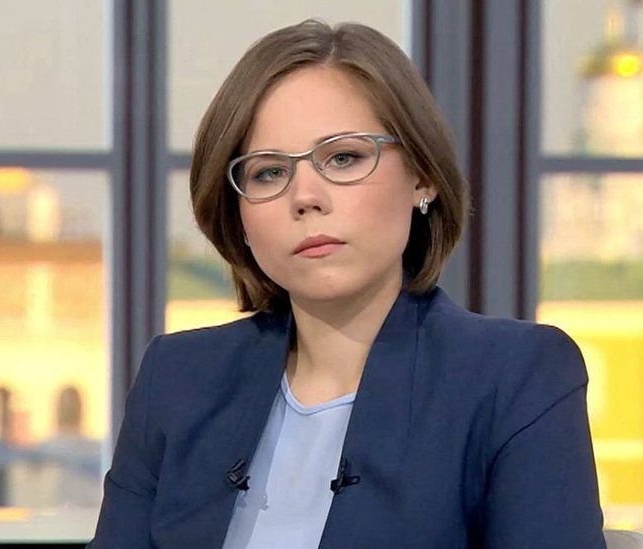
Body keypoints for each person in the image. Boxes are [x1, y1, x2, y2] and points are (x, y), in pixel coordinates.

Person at [90, 19, 605, 548]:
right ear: (237, 214)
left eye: (343, 158)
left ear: (423, 176)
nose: (305, 197)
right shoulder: (176, 379)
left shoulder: (516, 378)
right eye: (269, 172)